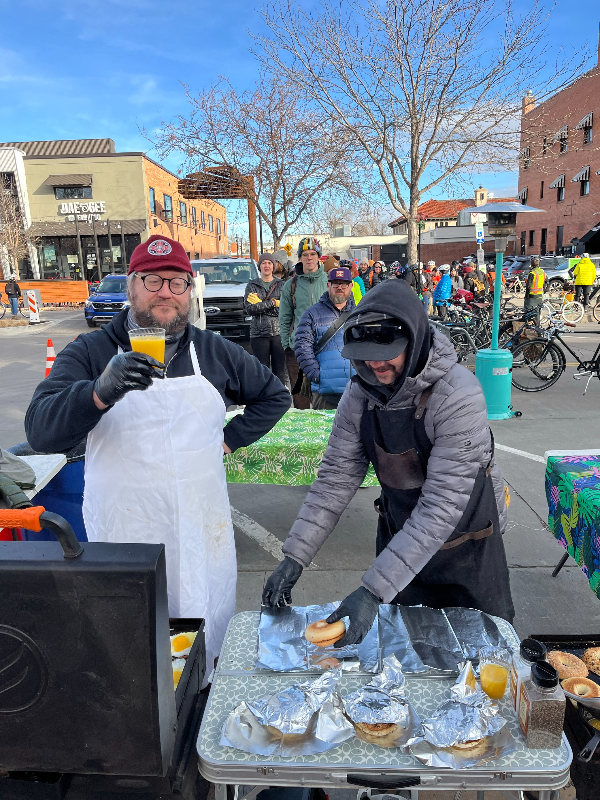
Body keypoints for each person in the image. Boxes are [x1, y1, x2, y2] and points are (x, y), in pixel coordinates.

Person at [25, 234, 291, 676]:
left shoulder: (213, 350)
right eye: (152, 280)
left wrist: (229, 439)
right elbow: (40, 430)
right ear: (131, 286)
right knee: (135, 649)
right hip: (127, 528)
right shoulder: (90, 352)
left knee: (202, 640)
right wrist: (97, 393)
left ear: (190, 290)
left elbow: (274, 396)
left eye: (177, 282)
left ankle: (201, 702)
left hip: (199, 530)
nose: (166, 291)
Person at [261, 279, 514, 641]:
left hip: (466, 544)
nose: (375, 364)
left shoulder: (457, 395)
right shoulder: (359, 395)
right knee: (409, 650)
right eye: (364, 353)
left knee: (477, 654)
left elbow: (442, 506)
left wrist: (372, 590)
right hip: (402, 535)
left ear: (414, 341)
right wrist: (295, 556)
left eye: (388, 352)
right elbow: (335, 479)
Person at [294, 266, 356, 410]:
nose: (339, 287)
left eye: (344, 283)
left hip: (355, 391)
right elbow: (302, 347)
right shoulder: (312, 314)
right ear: (328, 285)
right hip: (324, 393)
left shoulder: (359, 315)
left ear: (351, 286)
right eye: (335, 283)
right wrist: (317, 375)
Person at [279, 237, 329, 409]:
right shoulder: (291, 285)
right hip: (297, 351)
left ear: (318, 257)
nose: (309, 258)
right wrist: (287, 344)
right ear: (299, 257)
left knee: (325, 398)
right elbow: (284, 318)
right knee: (301, 400)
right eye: (305, 254)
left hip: (325, 349)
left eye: (313, 254)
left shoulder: (329, 282)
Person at [244, 254, 286, 384]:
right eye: (263, 263)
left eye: (269, 263)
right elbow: (250, 309)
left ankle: (279, 397)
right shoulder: (252, 285)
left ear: (274, 266)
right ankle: (263, 399)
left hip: (278, 333)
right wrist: (273, 303)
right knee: (261, 371)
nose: (266, 266)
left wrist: (261, 304)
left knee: (280, 372)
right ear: (259, 266)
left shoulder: (282, 285)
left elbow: (284, 310)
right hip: (258, 334)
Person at [524, 257, 548, 321]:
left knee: (529, 313)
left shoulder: (532, 273)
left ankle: (529, 328)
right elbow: (546, 282)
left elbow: (528, 286)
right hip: (539, 296)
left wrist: (526, 296)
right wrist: (545, 290)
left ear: (532, 265)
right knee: (537, 313)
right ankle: (537, 327)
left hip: (531, 297)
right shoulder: (543, 273)